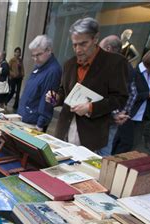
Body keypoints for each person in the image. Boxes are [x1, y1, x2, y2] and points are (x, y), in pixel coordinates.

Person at [48, 18, 129, 152]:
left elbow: (120, 98)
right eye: (74, 45)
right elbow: (64, 92)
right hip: (64, 131)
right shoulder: (69, 64)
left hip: (91, 134)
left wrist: (91, 107)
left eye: (83, 44)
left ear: (95, 39)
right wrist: (56, 98)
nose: (78, 50)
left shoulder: (115, 63)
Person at [118, 46, 150, 156]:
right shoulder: (134, 72)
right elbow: (127, 96)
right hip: (128, 115)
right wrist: (148, 94)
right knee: (123, 146)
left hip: (141, 117)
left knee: (131, 147)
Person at [98, 35, 136, 156]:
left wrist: (116, 114)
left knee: (100, 149)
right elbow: (133, 93)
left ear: (108, 48)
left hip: (105, 116)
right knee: (106, 146)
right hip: (113, 116)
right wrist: (123, 113)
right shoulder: (127, 65)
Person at [17, 35, 61, 132]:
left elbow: (48, 101)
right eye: (33, 55)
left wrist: (40, 125)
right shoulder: (40, 64)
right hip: (25, 116)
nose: (35, 59)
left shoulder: (53, 71)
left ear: (49, 50)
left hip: (34, 122)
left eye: (38, 55)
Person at [7, 47, 25, 111]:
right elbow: (8, 69)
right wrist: (12, 74)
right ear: (14, 53)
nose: (18, 53)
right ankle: (6, 101)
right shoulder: (12, 60)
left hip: (19, 78)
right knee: (12, 91)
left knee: (18, 92)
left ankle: (16, 105)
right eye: (16, 52)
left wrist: (23, 74)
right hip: (13, 78)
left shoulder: (20, 60)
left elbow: (22, 68)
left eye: (19, 52)